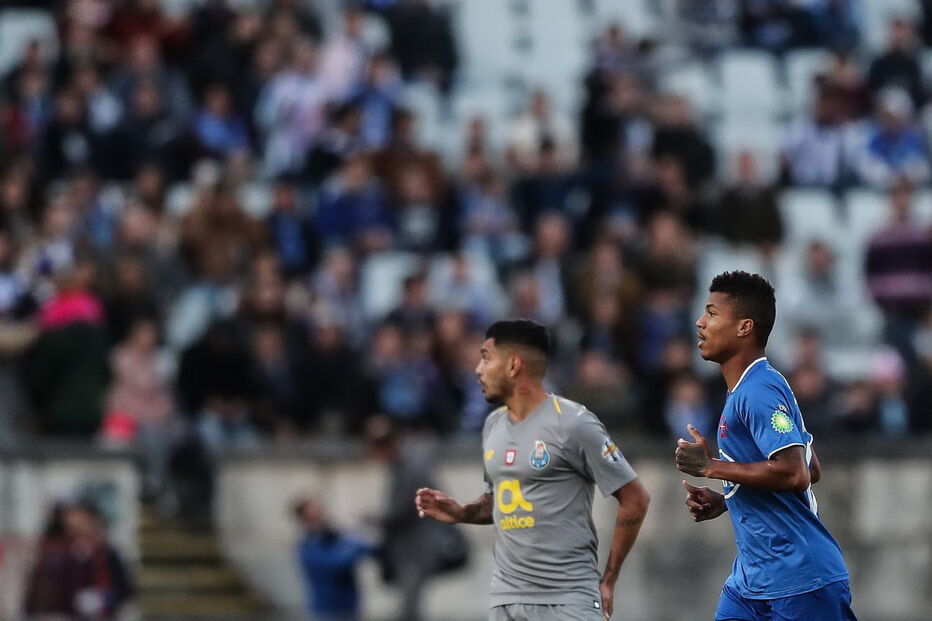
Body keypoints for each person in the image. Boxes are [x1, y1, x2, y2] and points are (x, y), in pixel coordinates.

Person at [415, 319, 650, 621]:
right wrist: (462, 512)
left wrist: (610, 577)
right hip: (506, 601)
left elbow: (636, 498)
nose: (477, 369)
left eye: (486, 357)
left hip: (567, 599)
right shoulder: (493, 426)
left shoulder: (573, 423)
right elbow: (499, 501)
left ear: (513, 366)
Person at [675, 271, 857, 621]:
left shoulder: (758, 390)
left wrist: (711, 467)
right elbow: (811, 466)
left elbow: (796, 473)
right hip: (750, 583)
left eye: (712, 313)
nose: (700, 323)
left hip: (802, 580)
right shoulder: (751, 387)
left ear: (744, 327)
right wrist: (729, 498)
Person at [294, 497, 374, 621]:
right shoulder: (307, 546)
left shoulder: (335, 537)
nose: (321, 520)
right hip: (326, 611)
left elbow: (367, 546)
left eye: (321, 514)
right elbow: (338, 563)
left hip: (349, 607)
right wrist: (353, 547)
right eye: (314, 518)